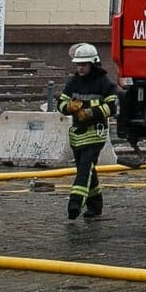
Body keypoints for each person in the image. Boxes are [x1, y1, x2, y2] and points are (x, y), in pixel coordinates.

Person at [58, 43, 117, 222]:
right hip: (77, 135)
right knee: (88, 169)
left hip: (95, 134)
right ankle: (95, 206)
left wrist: (92, 112)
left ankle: (75, 203)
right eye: (78, 65)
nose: (80, 68)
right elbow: (61, 103)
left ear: (93, 64)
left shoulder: (104, 83)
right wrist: (68, 107)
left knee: (84, 169)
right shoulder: (73, 82)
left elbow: (112, 107)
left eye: (84, 65)